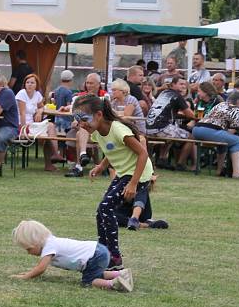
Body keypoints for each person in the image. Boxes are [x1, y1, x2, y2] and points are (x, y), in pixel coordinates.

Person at [73, 94, 154, 270]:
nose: (82, 124)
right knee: (100, 211)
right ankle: (103, 253)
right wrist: (101, 166)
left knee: (105, 208)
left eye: (84, 119)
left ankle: (114, 257)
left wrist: (133, 183)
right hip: (124, 172)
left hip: (138, 173)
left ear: (99, 115)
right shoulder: (96, 132)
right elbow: (111, 149)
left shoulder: (118, 129)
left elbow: (143, 154)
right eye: (78, 121)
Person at [11, 220, 133, 292]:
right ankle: (121, 274)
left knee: (89, 281)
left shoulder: (49, 246)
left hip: (94, 255)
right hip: (98, 250)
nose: (28, 253)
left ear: (36, 242)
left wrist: (26, 277)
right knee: (95, 273)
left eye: (29, 249)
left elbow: (41, 268)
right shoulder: (51, 241)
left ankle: (114, 283)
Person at [191, 90, 239, 178]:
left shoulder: (220, 104)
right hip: (210, 131)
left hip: (196, 129)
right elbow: (231, 131)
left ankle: (219, 171)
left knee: (223, 143)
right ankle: (236, 172)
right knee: (236, 140)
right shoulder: (235, 110)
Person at [146, 75, 195, 169]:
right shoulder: (177, 96)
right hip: (160, 128)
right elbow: (190, 115)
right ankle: (180, 164)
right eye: (181, 84)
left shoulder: (163, 93)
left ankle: (162, 159)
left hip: (149, 128)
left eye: (185, 84)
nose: (183, 86)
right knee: (191, 137)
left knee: (172, 131)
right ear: (173, 85)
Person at [15, 73, 59, 171]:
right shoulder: (22, 93)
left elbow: (42, 106)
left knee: (50, 126)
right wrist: (23, 130)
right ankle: (55, 155)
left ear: (36, 85)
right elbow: (22, 113)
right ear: (24, 84)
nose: (29, 84)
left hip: (32, 125)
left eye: (32, 82)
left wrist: (39, 111)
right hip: (21, 125)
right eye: (27, 82)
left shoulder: (37, 94)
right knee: (49, 128)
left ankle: (54, 157)